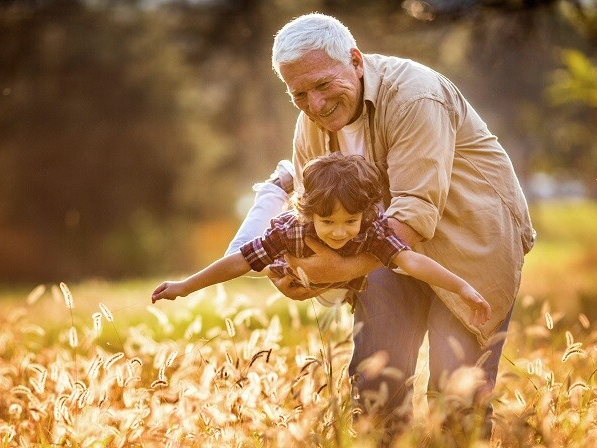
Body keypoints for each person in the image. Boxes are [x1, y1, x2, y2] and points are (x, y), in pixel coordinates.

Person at [228, 13, 535, 437]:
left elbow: (411, 214)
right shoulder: (310, 125)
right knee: (376, 385)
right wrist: (297, 271)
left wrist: (335, 271)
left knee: (457, 391)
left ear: (355, 60)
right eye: (299, 93)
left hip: (470, 245)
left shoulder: (414, 96)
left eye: (322, 85)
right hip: (384, 252)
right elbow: (310, 213)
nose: (314, 105)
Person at [152, 153, 493, 330]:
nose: (339, 231)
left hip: (336, 277)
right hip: (289, 259)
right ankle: (276, 186)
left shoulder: (372, 229)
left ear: (365, 214)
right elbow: (239, 261)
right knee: (245, 257)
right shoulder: (291, 229)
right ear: (310, 213)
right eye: (327, 221)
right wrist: (186, 285)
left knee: (336, 286)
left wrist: (461, 287)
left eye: (349, 221)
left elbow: (412, 261)